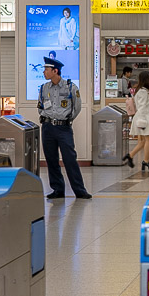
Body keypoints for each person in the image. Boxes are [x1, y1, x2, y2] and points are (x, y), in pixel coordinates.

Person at [37, 56, 91, 199]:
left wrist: (67, 120)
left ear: (55, 71)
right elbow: (40, 106)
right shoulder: (44, 88)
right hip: (47, 127)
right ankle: (57, 189)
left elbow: (77, 107)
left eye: (46, 69)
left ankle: (80, 190)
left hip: (63, 128)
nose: (44, 72)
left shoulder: (70, 87)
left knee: (69, 159)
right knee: (51, 159)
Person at [126, 71, 149, 172]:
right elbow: (143, 107)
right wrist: (145, 121)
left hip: (142, 118)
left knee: (142, 141)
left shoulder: (139, 91)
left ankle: (130, 156)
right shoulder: (144, 92)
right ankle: (146, 161)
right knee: (148, 140)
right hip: (144, 119)